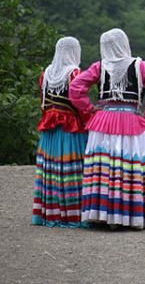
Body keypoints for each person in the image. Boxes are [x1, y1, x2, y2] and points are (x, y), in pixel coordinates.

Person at [69, 28, 145, 229]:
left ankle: (101, 214)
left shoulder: (99, 67)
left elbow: (76, 88)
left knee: (104, 168)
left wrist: (89, 109)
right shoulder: (140, 66)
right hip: (130, 120)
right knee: (132, 167)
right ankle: (131, 216)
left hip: (102, 121)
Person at [32, 37, 89, 228]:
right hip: (70, 131)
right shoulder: (75, 74)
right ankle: (72, 214)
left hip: (50, 131)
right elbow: (80, 104)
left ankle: (51, 213)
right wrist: (90, 122)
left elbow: (43, 104)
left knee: (52, 171)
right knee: (71, 171)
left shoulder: (46, 74)